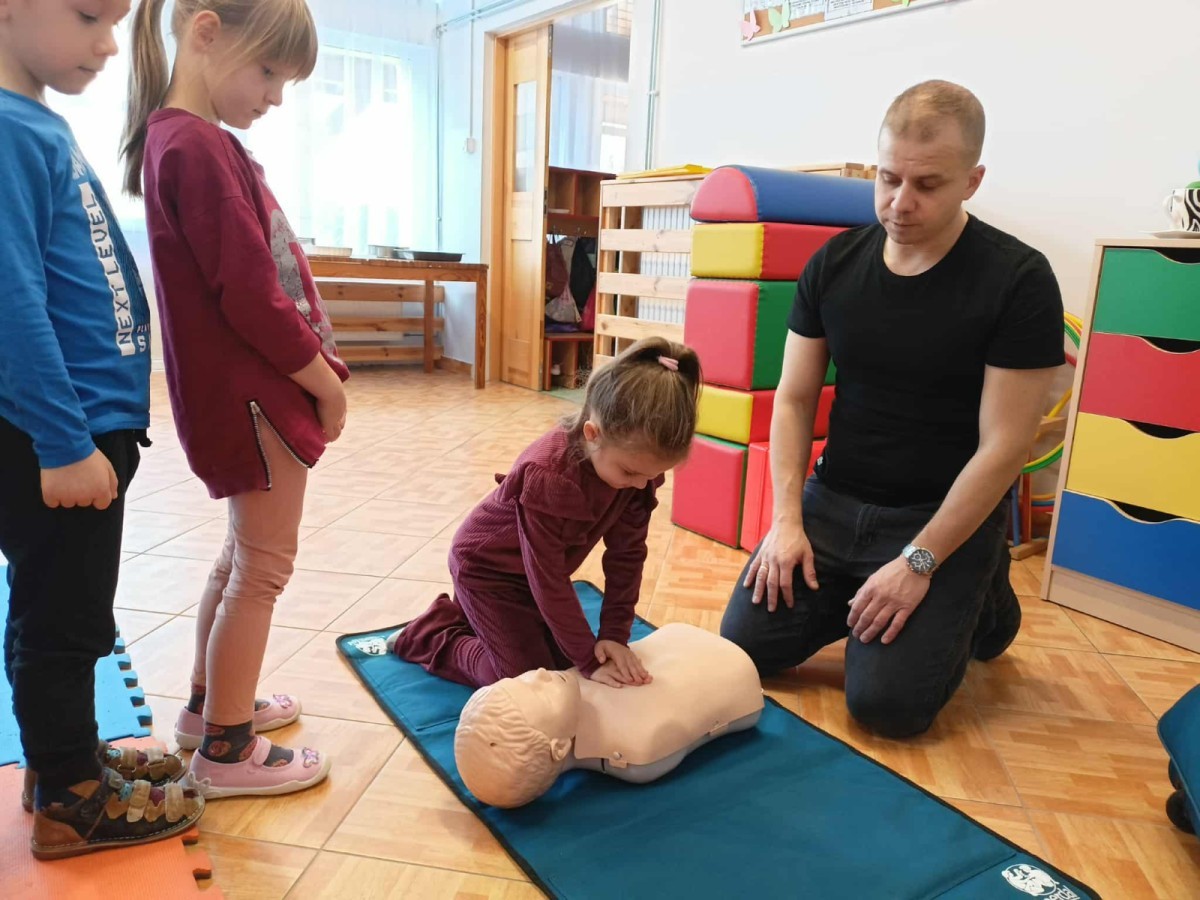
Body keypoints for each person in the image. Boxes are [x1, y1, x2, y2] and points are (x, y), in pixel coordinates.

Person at [720, 80, 1064, 738]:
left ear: (972, 181)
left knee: (885, 706)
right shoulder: (834, 264)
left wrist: (919, 563)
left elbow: (1005, 447)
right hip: (834, 501)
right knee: (745, 648)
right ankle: (880, 592)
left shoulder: (1018, 280)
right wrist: (786, 522)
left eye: (927, 185)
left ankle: (981, 590)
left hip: (937, 515)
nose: (900, 203)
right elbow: (793, 400)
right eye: (888, 178)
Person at [123, 0, 347, 797]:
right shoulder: (197, 145)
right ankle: (225, 751)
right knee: (263, 568)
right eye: (269, 72)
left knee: (241, 556)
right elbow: (251, 294)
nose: (276, 97)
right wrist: (323, 381)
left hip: (236, 397)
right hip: (254, 399)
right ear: (207, 32)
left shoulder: (182, 139)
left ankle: (207, 707)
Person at [0, 0, 203, 857]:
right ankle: (72, 803)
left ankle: (64, 759)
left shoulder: (33, 123)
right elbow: (9, 301)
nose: (109, 43)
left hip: (81, 424)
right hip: (61, 431)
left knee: (59, 603)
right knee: (67, 618)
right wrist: (64, 442)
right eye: (89, 14)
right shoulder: (8, 129)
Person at [390, 338, 701, 690]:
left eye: (653, 475)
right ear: (592, 434)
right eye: (631, 473)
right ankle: (430, 634)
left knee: (562, 664)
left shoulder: (636, 472)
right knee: (525, 680)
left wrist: (614, 635)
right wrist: (588, 660)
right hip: (485, 571)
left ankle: (472, 620)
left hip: (531, 575)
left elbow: (626, 557)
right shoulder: (550, 476)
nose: (642, 484)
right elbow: (547, 579)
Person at [454, 623, 764, 808]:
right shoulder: (635, 747)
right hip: (731, 668)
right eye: (538, 691)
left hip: (702, 653)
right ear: (558, 748)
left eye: (520, 680)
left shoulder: (563, 692)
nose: (538, 674)